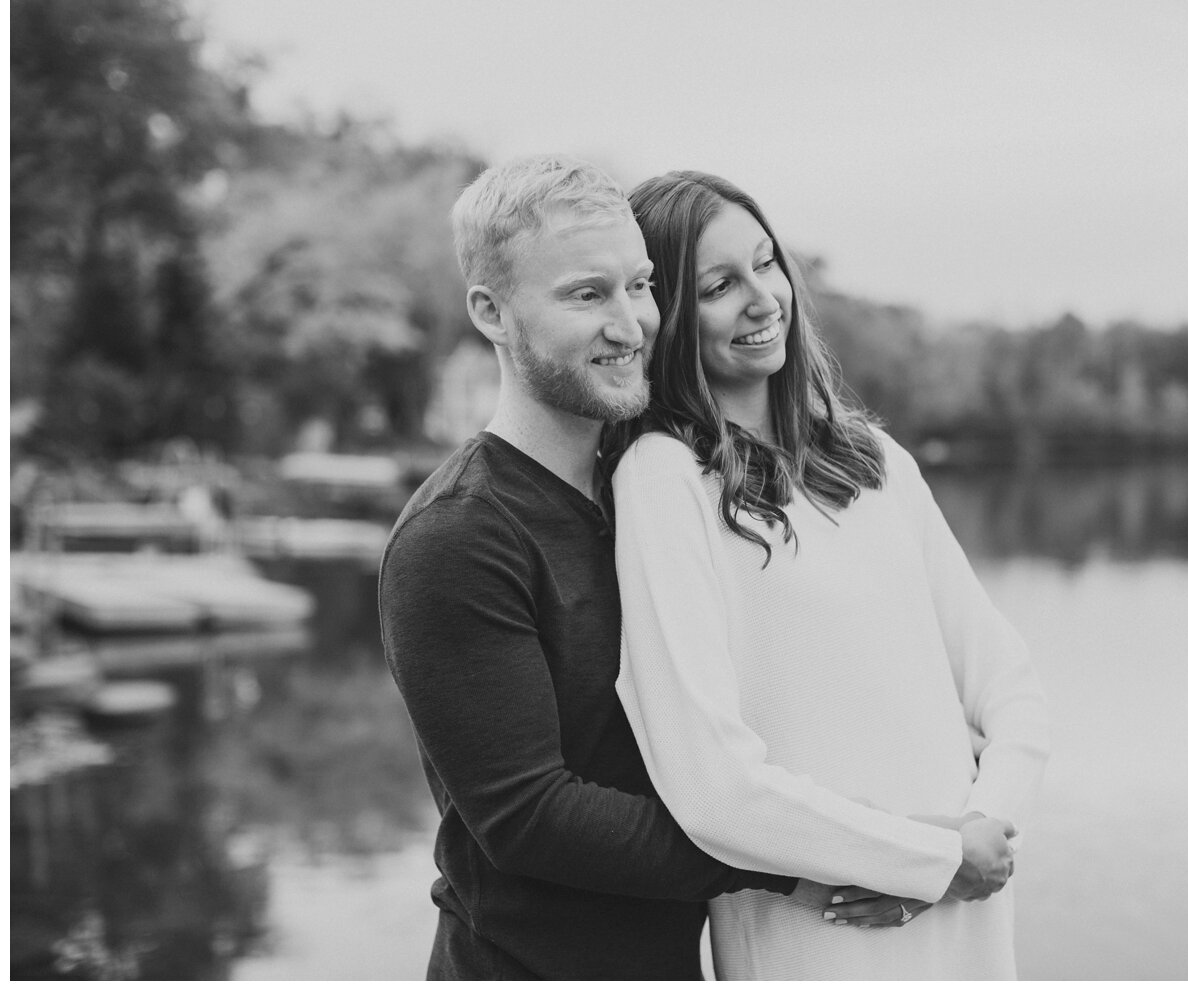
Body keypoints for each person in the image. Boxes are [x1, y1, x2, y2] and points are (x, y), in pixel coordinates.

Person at [378, 156, 1017, 980]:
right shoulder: (457, 536)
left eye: (640, 286)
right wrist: (851, 856)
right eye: (585, 295)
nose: (631, 323)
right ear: (490, 312)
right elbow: (533, 816)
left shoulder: (648, 485)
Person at [606, 170, 1051, 980]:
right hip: (825, 929)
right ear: (666, 314)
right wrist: (923, 857)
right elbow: (710, 782)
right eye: (718, 285)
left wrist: (975, 838)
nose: (761, 297)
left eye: (767, 263)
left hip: (966, 919)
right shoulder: (663, 479)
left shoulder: (875, 460)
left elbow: (1010, 687)